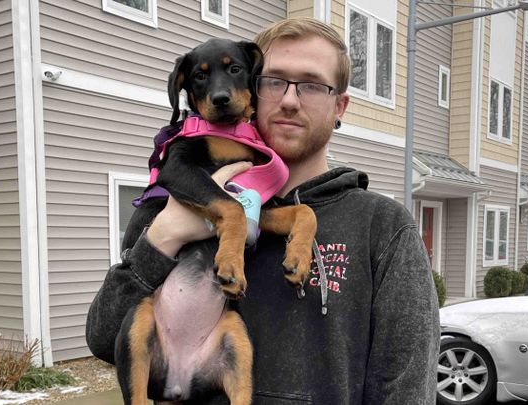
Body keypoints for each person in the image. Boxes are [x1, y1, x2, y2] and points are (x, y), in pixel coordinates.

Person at [87, 17, 439, 404]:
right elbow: (104, 338)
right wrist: (165, 236)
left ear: (339, 105)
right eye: (274, 81)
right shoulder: (173, 203)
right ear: (255, 87)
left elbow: (404, 386)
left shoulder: (383, 228)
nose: (289, 100)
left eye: (311, 85)